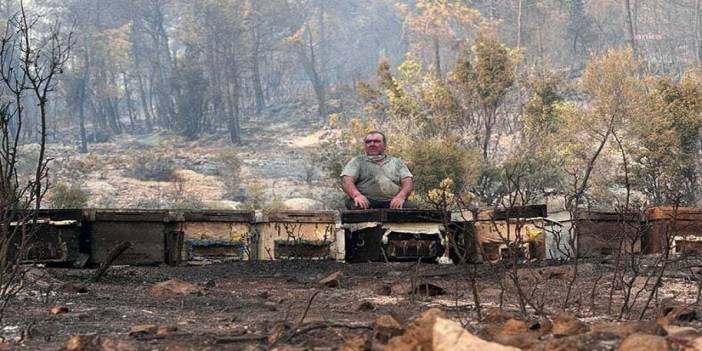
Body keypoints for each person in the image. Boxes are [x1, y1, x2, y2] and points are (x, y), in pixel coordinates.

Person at [340, 131, 417, 209]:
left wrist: (401, 196)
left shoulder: (397, 162)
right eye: (368, 142)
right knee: (358, 207)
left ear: (385, 145)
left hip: (392, 202)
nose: (372, 144)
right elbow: (346, 180)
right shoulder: (357, 161)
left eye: (376, 141)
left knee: (412, 208)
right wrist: (357, 195)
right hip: (366, 201)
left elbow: (407, 181)